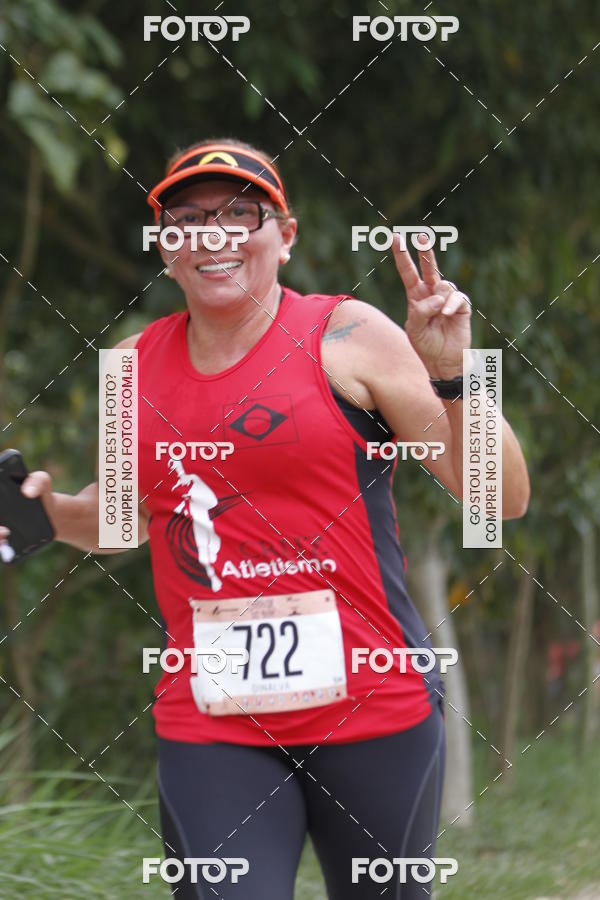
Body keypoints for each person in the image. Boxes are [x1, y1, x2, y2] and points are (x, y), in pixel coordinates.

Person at [0, 138, 530, 898]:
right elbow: (121, 521)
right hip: (213, 718)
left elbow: (500, 496)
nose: (211, 236)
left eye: (239, 214)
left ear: (285, 237)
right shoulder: (130, 366)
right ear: (164, 249)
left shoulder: (351, 334)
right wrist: (44, 514)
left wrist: (453, 373)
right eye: (185, 220)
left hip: (373, 703)